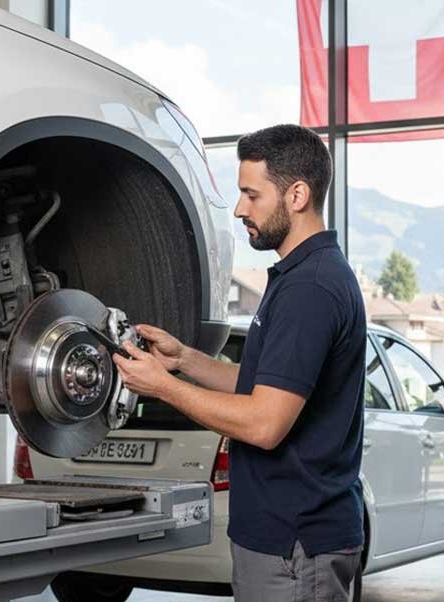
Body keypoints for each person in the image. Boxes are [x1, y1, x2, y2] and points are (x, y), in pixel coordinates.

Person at [112, 124, 366, 601]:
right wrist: (183, 361)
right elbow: (264, 385)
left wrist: (162, 389)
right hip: (285, 539)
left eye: (252, 194)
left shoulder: (310, 288)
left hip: (295, 544)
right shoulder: (301, 276)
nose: (239, 209)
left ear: (296, 195)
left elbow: (266, 423)